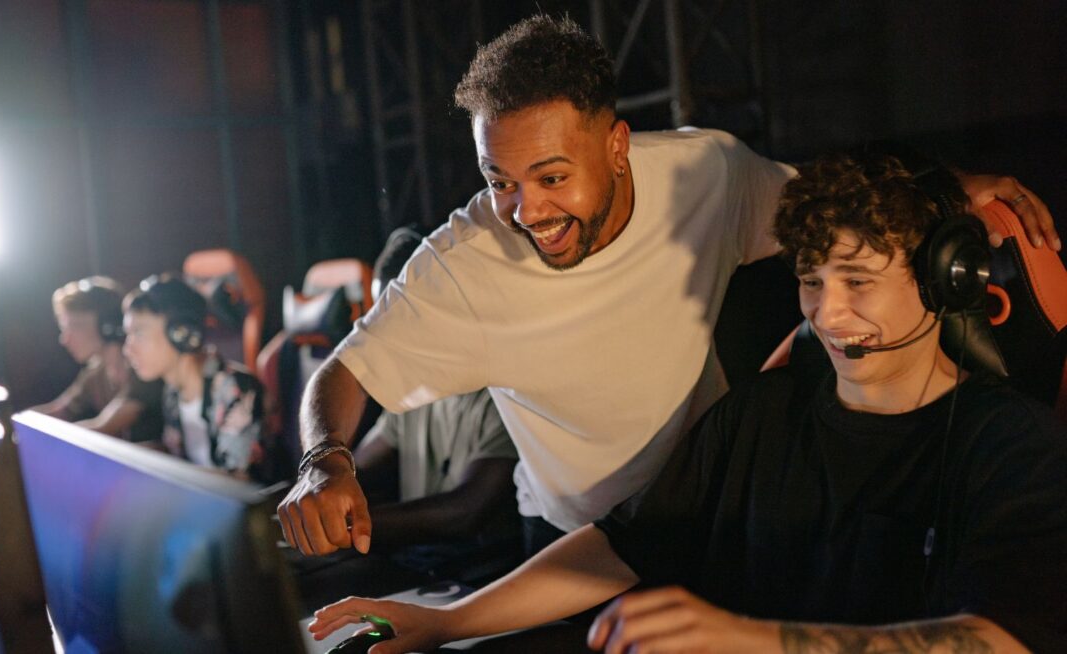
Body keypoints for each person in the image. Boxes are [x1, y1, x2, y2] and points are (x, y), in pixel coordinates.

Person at [279, 15, 1061, 559]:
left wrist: (947, 187)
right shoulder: (463, 263)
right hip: (576, 544)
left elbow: (829, 211)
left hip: (715, 511)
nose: (526, 211)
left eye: (551, 177)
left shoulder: (704, 173)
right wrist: (325, 460)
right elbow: (345, 371)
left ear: (618, 146)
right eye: (499, 180)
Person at [307, 150, 1067, 654]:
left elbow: (1002, 639)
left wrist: (752, 641)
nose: (826, 314)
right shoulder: (759, 415)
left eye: (858, 281)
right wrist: (447, 623)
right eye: (811, 281)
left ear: (943, 282)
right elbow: (623, 546)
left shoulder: (1010, 446)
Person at [353, 226, 521, 572]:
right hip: (418, 563)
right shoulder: (412, 387)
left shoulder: (503, 392)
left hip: (477, 575)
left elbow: (466, 512)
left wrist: (348, 528)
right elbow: (357, 469)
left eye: (400, 318)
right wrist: (311, 493)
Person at [122, 274, 266, 480]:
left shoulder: (236, 388)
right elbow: (177, 455)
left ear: (182, 333)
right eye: (128, 335)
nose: (128, 349)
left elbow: (240, 482)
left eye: (139, 333)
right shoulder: (173, 391)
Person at [31, 276, 163, 443]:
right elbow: (58, 410)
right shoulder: (95, 373)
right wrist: (19, 421)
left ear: (108, 325)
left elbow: (103, 428)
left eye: (74, 326)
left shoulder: (143, 369)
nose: (64, 339)